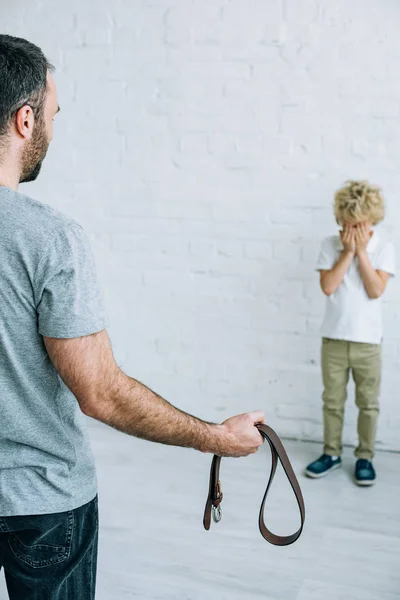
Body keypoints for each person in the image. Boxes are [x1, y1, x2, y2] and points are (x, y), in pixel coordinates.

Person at [0, 35, 265, 600]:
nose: (52, 126)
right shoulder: (48, 239)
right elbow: (102, 394)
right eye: (51, 114)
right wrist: (214, 437)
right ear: (25, 121)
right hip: (42, 504)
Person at [305, 180, 395, 486]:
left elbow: (375, 290)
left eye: (360, 224)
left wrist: (362, 254)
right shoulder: (330, 245)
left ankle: (365, 457)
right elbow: (328, 286)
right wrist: (347, 253)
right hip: (333, 339)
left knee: (368, 403)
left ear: (372, 219)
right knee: (332, 401)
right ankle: (331, 453)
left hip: (368, 343)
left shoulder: (384, 247)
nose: (353, 228)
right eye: (347, 222)